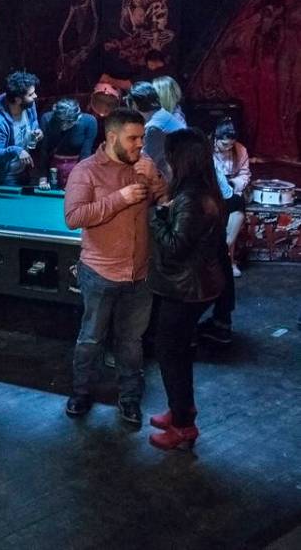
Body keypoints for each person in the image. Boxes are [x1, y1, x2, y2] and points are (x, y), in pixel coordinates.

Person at [63, 108, 166, 426]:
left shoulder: (145, 165)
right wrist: (120, 198)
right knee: (91, 338)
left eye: (142, 137)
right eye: (133, 138)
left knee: (131, 342)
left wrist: (159, 191)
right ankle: (81, 393)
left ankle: (130, 399)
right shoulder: (86, 171)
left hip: (140, 273)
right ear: (111, 137)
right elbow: (74, 218)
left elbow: (165, 199)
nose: (140, 144)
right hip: (99, 272)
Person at [147, 128, 227, 451]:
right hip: (197, 285)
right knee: (178, 351)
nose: (165, 160)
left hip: (187, 289)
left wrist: (155, 213)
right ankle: (182, 410)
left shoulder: (193, 199)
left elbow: (173, 247)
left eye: (170, 154)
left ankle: (183, 425)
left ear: (183, 160)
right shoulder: (201, 191)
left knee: (170, 353)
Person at [198, 119, 251, 345]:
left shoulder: (241, 152)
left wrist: (235, 184)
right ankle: (227, 254)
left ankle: (229, 249)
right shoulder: (206, 155)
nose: (227, 148)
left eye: (230, 145)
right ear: (215, 140)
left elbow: (245, 174)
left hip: (229, 191)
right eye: (223, 145)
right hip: (213, 197)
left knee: (238, 203)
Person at [0, 71, 43, 185]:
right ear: (17, 100)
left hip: (24, 170)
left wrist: (37, 130)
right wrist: (16, 150)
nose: (35, 96)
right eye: (31, 95)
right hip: (4, 176)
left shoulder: (29, 106)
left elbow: (34, 121)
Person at [126, 80, 185, 177]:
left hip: (173, 180)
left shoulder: (154, 128)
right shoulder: (162, 114)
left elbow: (146, 162)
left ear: (135, 104)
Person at [39, 98, 97, 189]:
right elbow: (44, 151)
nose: (64, 126)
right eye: (61, 122)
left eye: (69, 122)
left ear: (78, 117)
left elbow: (85, 154)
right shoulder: (47, 119)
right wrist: (43, 179)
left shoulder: (90, 122)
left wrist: (78, 180)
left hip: (77, 167)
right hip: (53, 168)